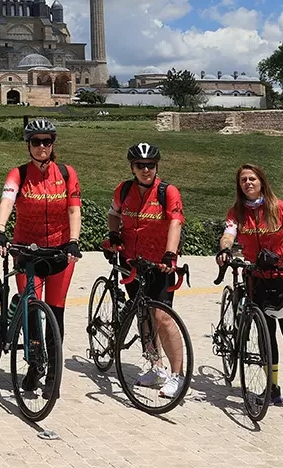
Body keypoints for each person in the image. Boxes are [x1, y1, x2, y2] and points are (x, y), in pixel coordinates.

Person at [217, 164, 283, 421]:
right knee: (267, 338)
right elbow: (228, 234)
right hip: (257, 280)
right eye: (243, 180)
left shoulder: (279, 208)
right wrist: (224, 250)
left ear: (261, 181)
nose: (247, 183)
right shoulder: (237, 212)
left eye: (252, 178)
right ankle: (272, 388)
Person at [0, 119, 82, 394]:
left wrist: (74, 241)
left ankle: (53, 374)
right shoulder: (18, 174)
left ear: (53, 144)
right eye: (36, 141)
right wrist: (0, 230)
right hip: (26, 251)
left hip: (58, 251)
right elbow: (7, 200)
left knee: (56, 314)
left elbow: (73, 210)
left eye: (46, 141)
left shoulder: (67, 174)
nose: (41, 146)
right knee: (32, 311)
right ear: (28, 145)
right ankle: (34, 367)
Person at [104, 143, 187, 399]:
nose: (146, 169)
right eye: (140, 165)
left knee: (162, 318)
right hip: (132, 262)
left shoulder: (167, 192)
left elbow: (175, 222)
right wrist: (113, 235)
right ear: (132, 167)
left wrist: (170, 254)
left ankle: (178, 375)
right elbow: (114, 214)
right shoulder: (124, 189)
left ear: (157, 166)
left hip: (160, 263)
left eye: (150, 165)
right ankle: (156, 366)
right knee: (143, 315)